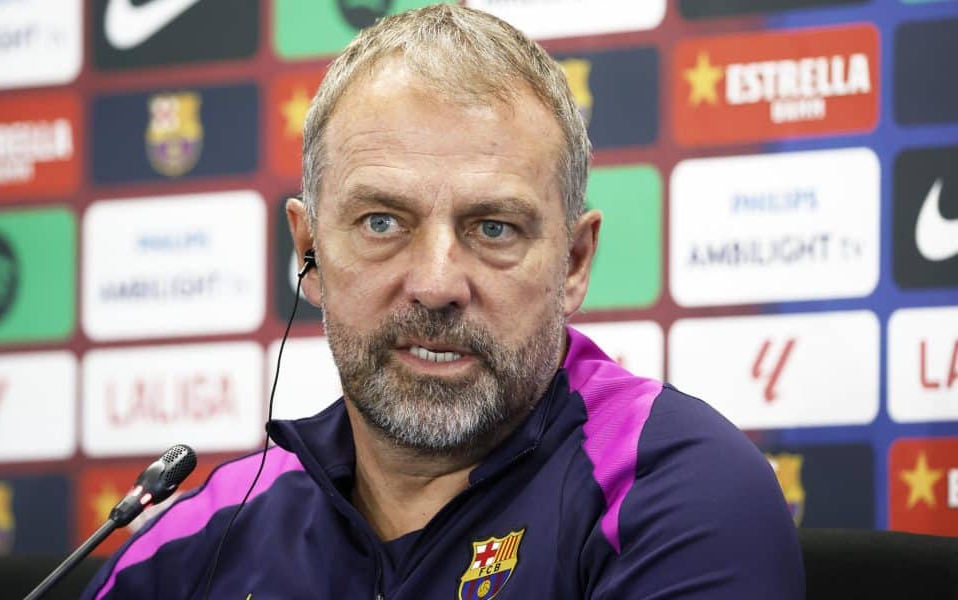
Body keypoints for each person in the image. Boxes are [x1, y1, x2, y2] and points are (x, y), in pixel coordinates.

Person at [83, 5, 804, 599]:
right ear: (308, 252)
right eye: (382, 223)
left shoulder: (673, 490)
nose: (435, 284)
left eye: (494, 228)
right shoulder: (195, 541)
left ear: (574, 263)